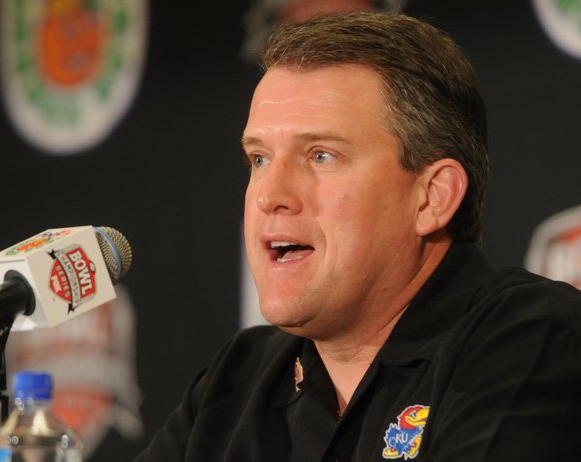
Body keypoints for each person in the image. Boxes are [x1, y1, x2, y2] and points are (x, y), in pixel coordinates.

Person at [136, 12, 581, 461]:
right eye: (259, 159)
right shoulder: (236, 381)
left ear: (432, 198)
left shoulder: (532, 342)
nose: (270, 196)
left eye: (321, 155)